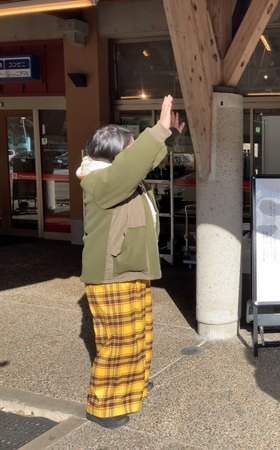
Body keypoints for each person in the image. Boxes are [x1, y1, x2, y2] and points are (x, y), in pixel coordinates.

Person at [76, 95, 185, 429]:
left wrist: (170, 136)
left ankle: (132, 385)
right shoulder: (99, 181)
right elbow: (132, 166)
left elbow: (143, 162)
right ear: (115, 155)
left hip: (129, 268)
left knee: (139, 334)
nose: (135, 153)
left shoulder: (118, 174)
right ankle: (102, 406)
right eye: (131, 147)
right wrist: (158, 131)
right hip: (111, 273)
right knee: (118, 342)